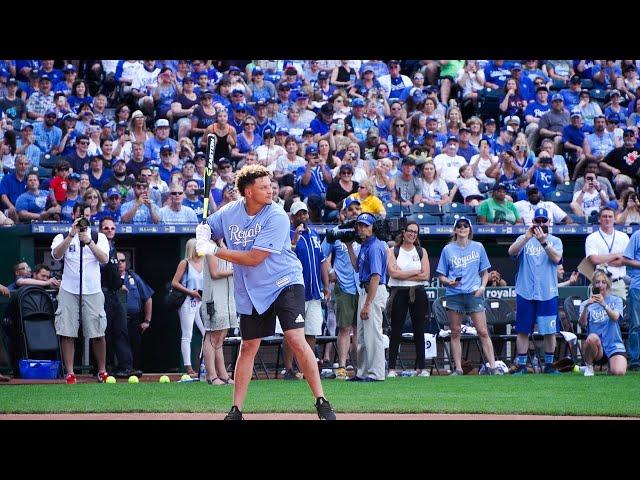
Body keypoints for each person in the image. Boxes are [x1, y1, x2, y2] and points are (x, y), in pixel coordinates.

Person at [195, 164, 335, 420]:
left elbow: (254, 258)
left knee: (295, 338)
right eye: (263, 187)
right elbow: (208, 229)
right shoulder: (228, 213)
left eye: (270, 185)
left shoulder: (277, 215)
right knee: (248, 346)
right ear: (248, 192)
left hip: (285, 281)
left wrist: (214, 249)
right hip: (251, 289)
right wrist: (202, 231)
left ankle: (321, 401)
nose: (270, 190)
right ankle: (236, 410)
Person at [50, 202, 110, 384]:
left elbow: (104, 259)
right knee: (67, 331)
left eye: (87, 216)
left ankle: (102, 370)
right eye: (81, 216)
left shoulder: (98, 237)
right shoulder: (62, 235)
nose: (84, 220)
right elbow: (56, 255)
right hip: (69, 289)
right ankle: (70, 373)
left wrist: (89, 241)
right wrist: (71, 235)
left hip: (92, 289)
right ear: (74, 216)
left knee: (98, 331)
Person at [436, 216, 502, 376]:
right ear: (455, 229)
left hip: (474, 294)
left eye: (465, 226)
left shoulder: (478, 247)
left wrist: (482, 287)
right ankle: (458, 369)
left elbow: (484, 272)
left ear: (470, 229)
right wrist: (448, 282)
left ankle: (493, 366)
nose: (462, 228)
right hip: (455, 294)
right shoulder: (448, 249)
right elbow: (441, 275)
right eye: (459, 226)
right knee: (455, 331)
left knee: (483, 331)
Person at [507, 207, 563, 375]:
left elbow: (557, 258)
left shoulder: (555, 240)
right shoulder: (525, 238)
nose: (540, 224)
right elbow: (511, 252)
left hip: (547, 292)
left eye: (543, 221)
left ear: (548, 222)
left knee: (549, 330)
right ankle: (522, 365)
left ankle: (549, 365)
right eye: (537, 221)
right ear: (532, 222)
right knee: (523, 329)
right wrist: (526, 237)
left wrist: (543, 241)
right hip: (526, 291)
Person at [282, 201, 330, 379]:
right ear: (292, 217)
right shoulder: (286, 234)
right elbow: (284, 258)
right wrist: (294, 239)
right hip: (295, 292)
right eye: (299, 214)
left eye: (304, 213)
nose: (302, 217)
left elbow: (322, 261)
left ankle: (306, 367)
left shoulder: (315, 234)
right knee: (291, 333)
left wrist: (326, 285)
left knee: (311, 331)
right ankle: (288, 368)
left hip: (314, 291)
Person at [342, 212, 389, 382]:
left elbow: (376, 276)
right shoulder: (364, 245)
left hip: (373, 292)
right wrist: (348, 247)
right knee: (361, 335)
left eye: (365, 226)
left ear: (373, 228)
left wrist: (368, 304)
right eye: (360, 226)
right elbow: (356, 267)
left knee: (372, 334)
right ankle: (362, 372)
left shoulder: (375, 246)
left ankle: (376, 374)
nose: (361, 229)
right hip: (365, 290)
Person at [321, 197, 362, 380]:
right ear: (343, 213)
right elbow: (321, 253)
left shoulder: (366, 232)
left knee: (359, 329)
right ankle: (343, 367)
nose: (354, 212)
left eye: (357, 209)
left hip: (363, 287)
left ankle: (361, 367)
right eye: (351, 209)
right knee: (345, 328)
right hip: (344, 286)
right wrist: (330, 270)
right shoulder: (337, 232)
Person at [386, 220, 430, 378]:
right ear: (403, 232)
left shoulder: (421, 251)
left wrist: (404, 272)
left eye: (415, 232)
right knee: (396, 329)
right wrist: (415, 272)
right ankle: (391, 368)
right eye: (410, 231)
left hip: (417, 292)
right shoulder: (393, 251)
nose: (412, 234)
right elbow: (394, 274)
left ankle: (421, 367)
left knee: (419, 329)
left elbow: (426, 275)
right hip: (399, 292)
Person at [98, 217, 140, 378]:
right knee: (105, 332)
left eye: (112, 228)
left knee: (121, 330)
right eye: (106, 228)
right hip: (102, 293)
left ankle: (125, 367)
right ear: (101, 230)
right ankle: (105, 368)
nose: (109, 230)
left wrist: (119, 284)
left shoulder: (113, 248)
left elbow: (114, 272)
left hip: (115, 294)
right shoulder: (98, 247)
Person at [199, 238, 237, 385]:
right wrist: (235, 271)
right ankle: (211, 375)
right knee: (212, 335)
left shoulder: (224, 246)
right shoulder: (209, 246)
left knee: (221, 336)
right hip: (214, 297)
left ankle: (223, 374)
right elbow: (215, 272)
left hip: (227, 297)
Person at [578, 270, 627, 376]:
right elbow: (582, 324)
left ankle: (611, 365)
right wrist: (587, 306)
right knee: (592, 337)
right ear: (593, 285)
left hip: (613, 345)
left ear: (608, 285)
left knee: (619, 372)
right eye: (597, 282)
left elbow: (615, 317)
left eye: (603, 282)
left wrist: (604, 304)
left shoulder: (616, 300)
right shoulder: (585, 304)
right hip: (597, 346)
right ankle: (589, 367)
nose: (600, 285)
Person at [170, 238, 204, 377]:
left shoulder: (204, 262)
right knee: (187, 334)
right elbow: (174, 283)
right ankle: (188, 366)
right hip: (187, 300)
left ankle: (204, 363)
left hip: (200, 301)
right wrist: (191, 292)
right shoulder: (185, 263)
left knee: (206, 333)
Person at [117, 251, 154, 372]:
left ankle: (134, 370)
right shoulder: (109, 278)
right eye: (117, 261)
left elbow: (148, 297)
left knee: (135, 347)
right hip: (115, 318)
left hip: (133, 318)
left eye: (122, 261)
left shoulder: (133, 277)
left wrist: (147, 321)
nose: (120, 263)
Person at [585, 206, 630, 300]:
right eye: (604, 216)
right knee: (597, 312)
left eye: (610, 216)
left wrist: (603, 261)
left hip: (618, 283)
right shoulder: (592, 238)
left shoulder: (623, 237)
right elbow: (594, 259)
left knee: (620, 314)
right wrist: (616, 255)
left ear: (614, 219)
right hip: (599, 284)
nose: (607, 219)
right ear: (599, 219)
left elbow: (625, 260)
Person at [622, 228, 640, 371]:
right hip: (638, 286)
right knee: (636, 325)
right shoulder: (637, 235)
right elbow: (626, 259)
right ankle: (635, 359)